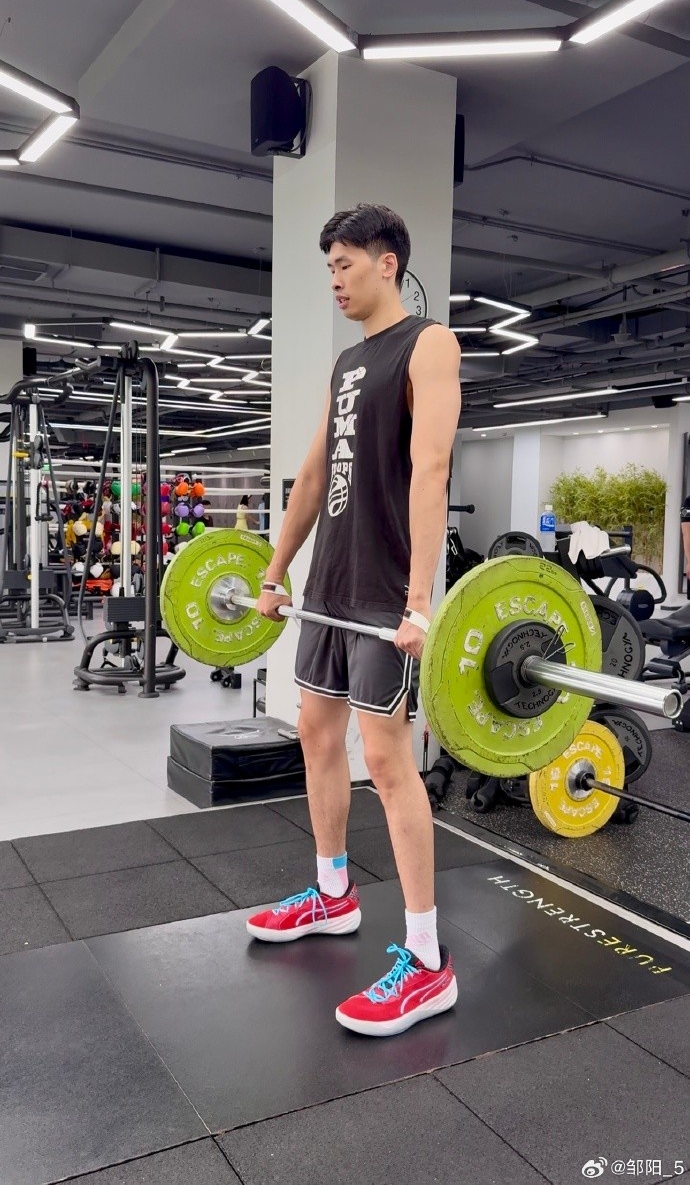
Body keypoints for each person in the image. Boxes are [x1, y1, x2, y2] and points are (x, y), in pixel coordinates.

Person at [247, 203, 462, 1037]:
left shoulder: (429, 344)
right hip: (330, 586)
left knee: (387, 757)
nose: (334, 280)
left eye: (344, 264)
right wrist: (275, 571)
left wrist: (420, 599)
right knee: (315, 733)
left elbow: (431, 465)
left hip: (383, 593)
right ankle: (334, 893)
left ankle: (428, 961)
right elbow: (311, 477)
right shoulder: (346, 362)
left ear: (386, 262)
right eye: (329, 267)